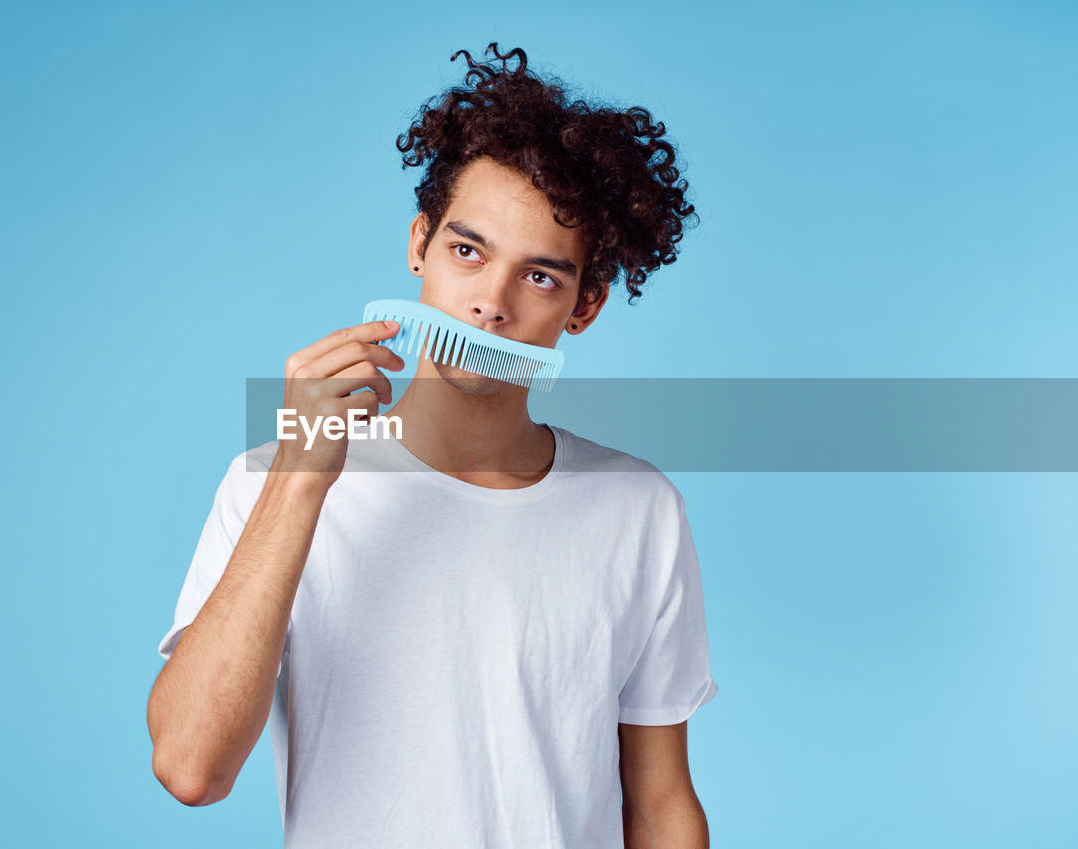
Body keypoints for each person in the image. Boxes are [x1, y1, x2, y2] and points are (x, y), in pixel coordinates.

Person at [147, 43, 718, 848]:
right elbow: (190, 767)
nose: (489, 303)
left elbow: (660, 805)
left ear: (584, 307)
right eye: (467, 251)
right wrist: (300, 477)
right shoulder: (265, 484)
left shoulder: (639, 509)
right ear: (420, 244)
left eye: (541, 277)